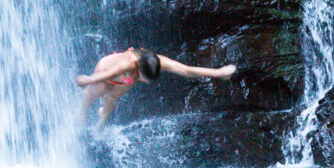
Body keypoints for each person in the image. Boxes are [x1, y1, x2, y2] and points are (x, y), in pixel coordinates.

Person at [75, 47, 237, 126]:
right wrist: (89, 80)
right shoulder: (126, 64)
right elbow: (105, 75)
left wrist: (219, 72)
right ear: (138, 70)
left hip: (123, 81)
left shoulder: (159, 61)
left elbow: (187, 70)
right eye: (144, 78)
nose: (146, 82)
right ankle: (81, 115)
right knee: (97, 91)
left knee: (111, 100)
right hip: (105, 71)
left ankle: (101, 120)